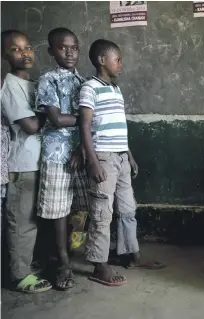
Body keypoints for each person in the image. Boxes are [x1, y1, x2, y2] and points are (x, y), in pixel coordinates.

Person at [79, 39, 163, 287]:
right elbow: (84, 126)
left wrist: (130, 155)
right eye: (118, 59)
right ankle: (99, 265)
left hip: (121, 157)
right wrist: (92, 161)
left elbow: (119, 127)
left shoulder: (115, 90)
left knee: (128, 209)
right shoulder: (89, 88)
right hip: (103, 158)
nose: (121, 65)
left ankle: (131, 255)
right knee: (102, 213)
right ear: (102, 60)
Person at [35, 27, 89, 290]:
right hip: (57, 154)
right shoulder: (48, 80)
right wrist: (85, 120)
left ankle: (72, 251)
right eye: (62, 47)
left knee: (80, 207)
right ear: (51, 51)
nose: (69, 52)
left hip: (81, 152)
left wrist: (81, 148)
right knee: (57, 210)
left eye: (74, 47)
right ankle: (62, 262)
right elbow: (56, 119)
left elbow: (90, 125)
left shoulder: (85, 83)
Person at [1, 29, 51, 293]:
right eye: (15, 49)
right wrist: (51, 115)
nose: (24, 52)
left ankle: (27, 265)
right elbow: (30, 125)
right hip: (21, 165)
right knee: (22, 223)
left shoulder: (33, 85)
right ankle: (19, 275)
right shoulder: (9, 86)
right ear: (4, 56)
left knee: (35, 219)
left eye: (28, 47)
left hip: (39, 162)